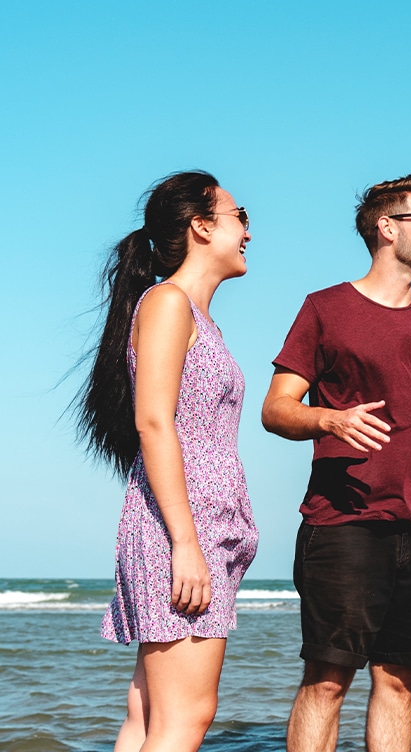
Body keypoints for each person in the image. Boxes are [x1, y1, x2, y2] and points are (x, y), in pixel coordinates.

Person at [262, 174, 411, 752]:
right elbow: (276, 409)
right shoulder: (325, 309)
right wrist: (331, 419)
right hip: (343, 523)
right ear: (386, 228)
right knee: (326, 681)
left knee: (399, 681)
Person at [76, 171, 258, 752]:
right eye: (239, 215)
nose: (249, 230)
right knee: (186, 718)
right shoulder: (167, 302)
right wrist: (186, 541)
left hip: (196, 530)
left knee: (150, 716)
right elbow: (153, 422)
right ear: (202, 227)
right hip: (179, 531)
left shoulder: (195, 316)